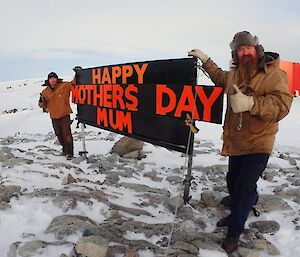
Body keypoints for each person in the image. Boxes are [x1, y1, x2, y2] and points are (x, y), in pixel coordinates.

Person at [188, 31, 293, 253]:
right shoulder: (235, 75)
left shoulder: (274, 73)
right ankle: (242, 207)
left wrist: (251, 104)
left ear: (257, 50)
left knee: (244, 186)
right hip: (236, 141)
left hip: (259, 141)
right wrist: (206, 60)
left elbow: (282, 105)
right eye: (240, 49)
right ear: (236, 53)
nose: (245, 52)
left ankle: (234, 232)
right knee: (233, 181)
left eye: (248, 48)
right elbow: (218, 77)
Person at [38, 71, 77, 160]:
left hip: (64, 115)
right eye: (51, 78)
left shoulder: (64, 86)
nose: (53, 80)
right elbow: (42, 106)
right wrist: (41, 101)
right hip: (54, 116)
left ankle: (70, 153)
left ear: (57, 79)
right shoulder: (45, 92)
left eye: (54, 78)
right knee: (59, 134)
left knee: (67, 135)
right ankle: (64, 150)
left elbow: (74, 83)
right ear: (48, 80)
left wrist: (78, 73)